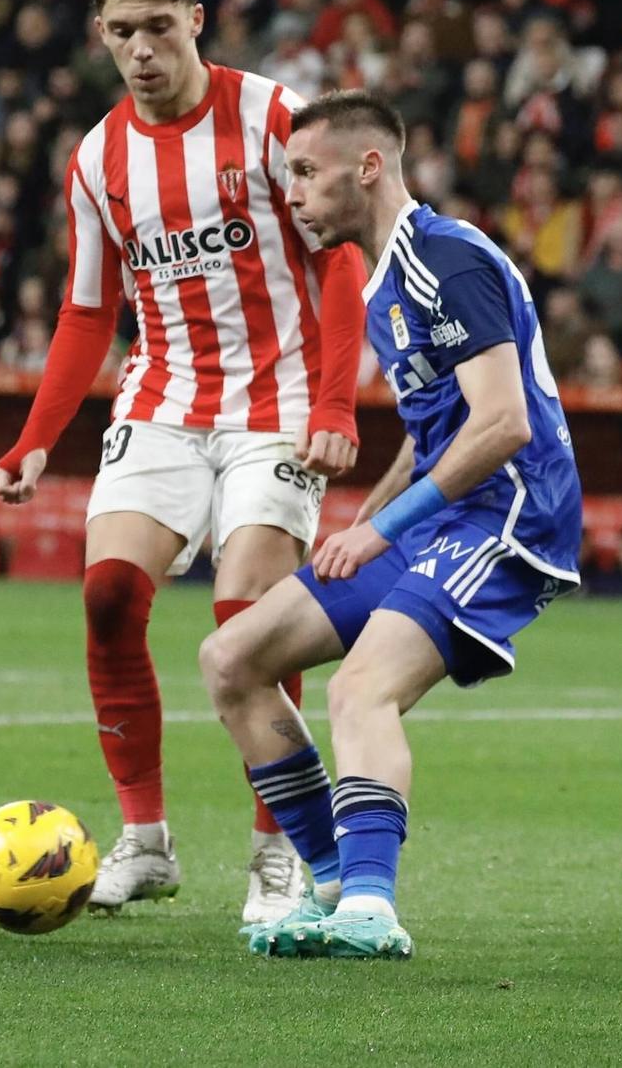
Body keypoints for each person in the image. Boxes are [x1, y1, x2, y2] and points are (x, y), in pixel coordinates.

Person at [0, 0, 367, 926]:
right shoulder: (97, 157)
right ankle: (145, 841)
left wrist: (333, 404)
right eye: (122, 32)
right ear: (100, 36)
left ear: (196, 19)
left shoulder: (274, 116)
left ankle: (277, 849)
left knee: (245, 613)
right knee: (109, 595)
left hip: (275, 399)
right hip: (161, 397)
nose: (141, 49)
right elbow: (85, 313)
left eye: (159, 27)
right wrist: (35, 436)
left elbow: (336, 262)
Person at [197, 90, 582, 960]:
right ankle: (333, 884)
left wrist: (382, 529)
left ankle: (371, 911)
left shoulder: (448, 258)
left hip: (510, 515)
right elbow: (435, 427)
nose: (289, 191)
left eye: (304, 172)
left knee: (357, 690)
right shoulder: (384, 276)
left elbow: (503, 423)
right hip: (442, 515)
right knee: (232, 659)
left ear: (366, 168)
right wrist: (366, 519)